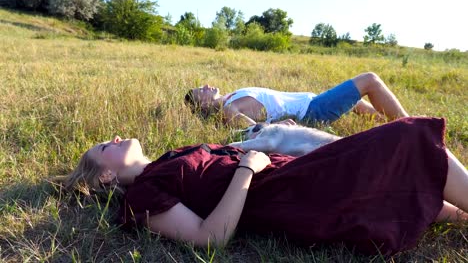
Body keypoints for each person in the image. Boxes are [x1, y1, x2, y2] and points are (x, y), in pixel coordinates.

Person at [61, 117, 468, 255]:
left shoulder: (170, 157)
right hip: (290, 193)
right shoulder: (141, 196)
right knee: (409, 137)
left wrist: (263, 148)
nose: (114, 137)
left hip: (297, 172)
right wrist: (247, 170)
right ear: (105, 176)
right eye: (104, 146)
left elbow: (228, 154)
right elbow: (210, 239)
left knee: (427, 187)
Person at [184, 72, 409, 126]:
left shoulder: (231, 96)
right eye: (200, 91)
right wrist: (276, 127)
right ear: (202, 105)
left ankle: (388, 124)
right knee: (369, 80)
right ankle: (414, 126)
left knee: (359, 104)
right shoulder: (229, 108)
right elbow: (252, 130)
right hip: (312, 111)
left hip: (312, 102)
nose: (205, 86)